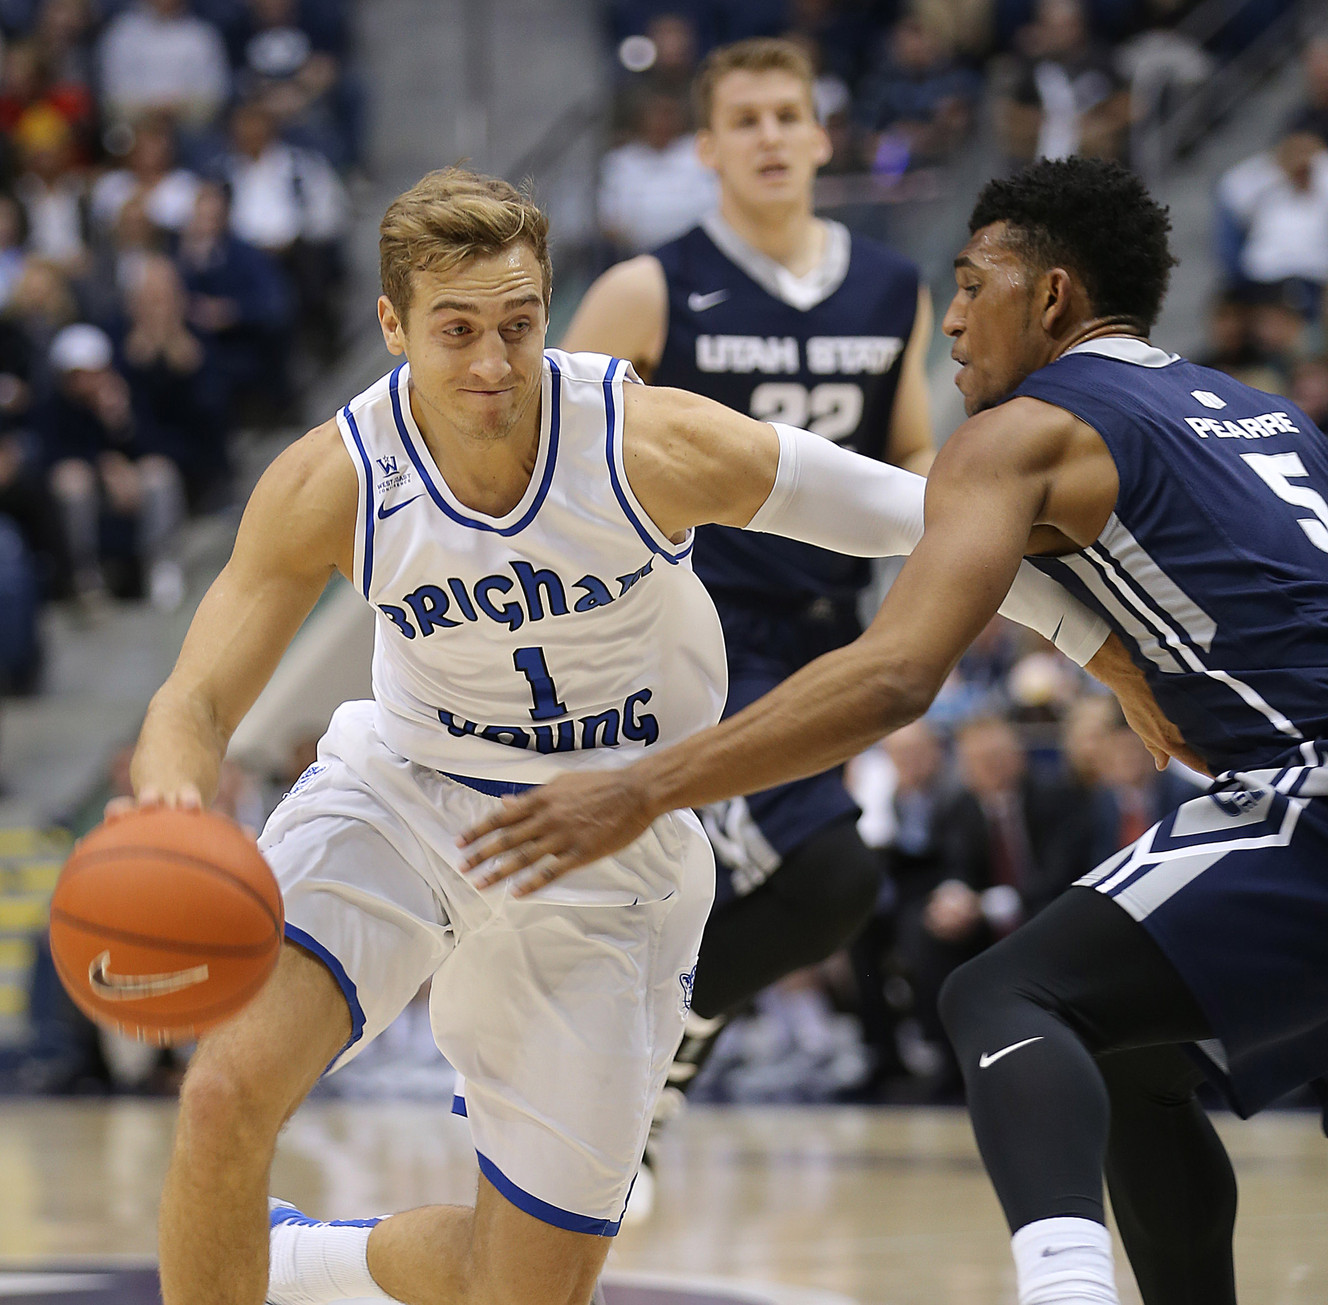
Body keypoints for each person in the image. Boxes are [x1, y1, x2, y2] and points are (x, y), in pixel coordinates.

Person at [113, 167, 1118, 1305]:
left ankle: (301, 1260)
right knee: (220, 1095)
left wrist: (1107, 651)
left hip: (609, 832)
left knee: (520, 1288)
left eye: (517, 324)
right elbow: (193, 703)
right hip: (401, 790)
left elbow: (915, 513)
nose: (493, 366)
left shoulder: (642, 440)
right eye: (455, 332)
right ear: (391, 326)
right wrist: (170, 802)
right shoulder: (333, 480)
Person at [461, 154, 1328, 1305]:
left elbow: (889, 680)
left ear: (1052, 298)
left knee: (1002, 1000)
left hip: (1301, 792)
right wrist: (1110, 652)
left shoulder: (1027, 429)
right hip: (1284, 778)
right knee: (1122, 1051)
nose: (954, 321)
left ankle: (1061, 1292)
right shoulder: (1258, 413)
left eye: (974, 287)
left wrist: (637, 790)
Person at [562, 35, 935, 1205]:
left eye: (790, 114)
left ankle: (643, 1063)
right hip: (695, 638)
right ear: (708, 147)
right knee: (833, 878)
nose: (772, 135)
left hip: (829, 636)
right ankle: (644, 1059)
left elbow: (914, 448)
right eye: (748, 119)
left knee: (740, 891)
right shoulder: (646, 288)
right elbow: (557, 456)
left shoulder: (891, 288)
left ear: (823, 136)